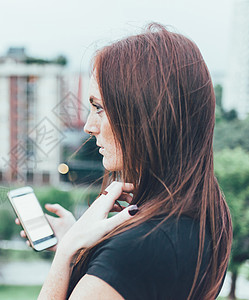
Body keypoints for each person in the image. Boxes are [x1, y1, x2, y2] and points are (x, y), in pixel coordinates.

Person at [15, 23, 232, 299]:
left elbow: (131, 266)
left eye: (100, 108)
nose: (89, 126)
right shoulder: (202, 218)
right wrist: (85, 247)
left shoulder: (134, 252)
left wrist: (68, 253)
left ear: (145, 115)